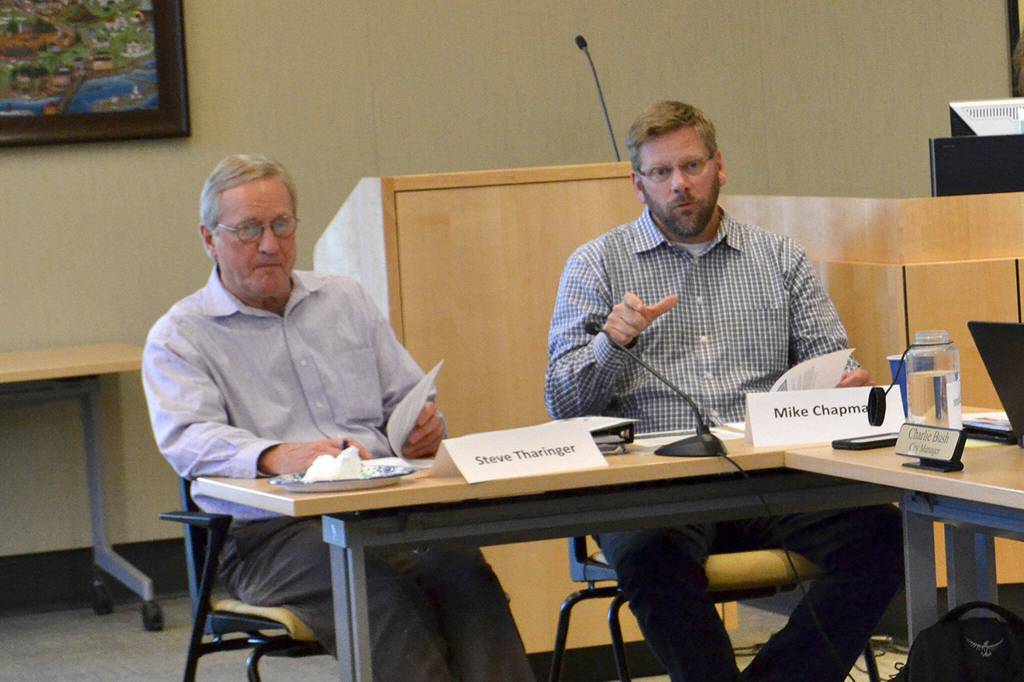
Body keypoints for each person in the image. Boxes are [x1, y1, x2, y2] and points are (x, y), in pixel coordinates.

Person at [545, 101, 902, 682]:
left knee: (885, 535)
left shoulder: (778, 258)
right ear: (638, 185)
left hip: (767, 479)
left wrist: (846, 388)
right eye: (661, 172)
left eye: (691, 166)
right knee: (650, 557)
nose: (679, 185)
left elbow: (836, 364)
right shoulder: (596, 266)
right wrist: (611, 343)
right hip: (653, 489)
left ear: (720, 167)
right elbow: (562, 403)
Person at [143, 154, 533, 682]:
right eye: (249, 229)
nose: (270, 244)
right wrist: (274, 454)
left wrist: (420, 429)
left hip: (382, 511)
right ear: (209, 239)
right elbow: (187, 439)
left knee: (462, 569)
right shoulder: (181, 335)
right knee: (375, 593)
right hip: (270, 538)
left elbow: (406, 396)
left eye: (282, 225)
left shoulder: (343, 299)